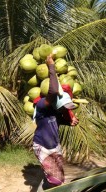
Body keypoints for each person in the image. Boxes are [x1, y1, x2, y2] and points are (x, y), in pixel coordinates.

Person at [32, 54, 79, 191]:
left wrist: (70, 122)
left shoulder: (55, 111)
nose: (65, 108)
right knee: (55, 180)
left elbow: (56, 121)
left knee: (57, 178)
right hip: (42, 146)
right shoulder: (41, 106)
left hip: (54, 145)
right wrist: (51, 66)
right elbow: (52, 91)